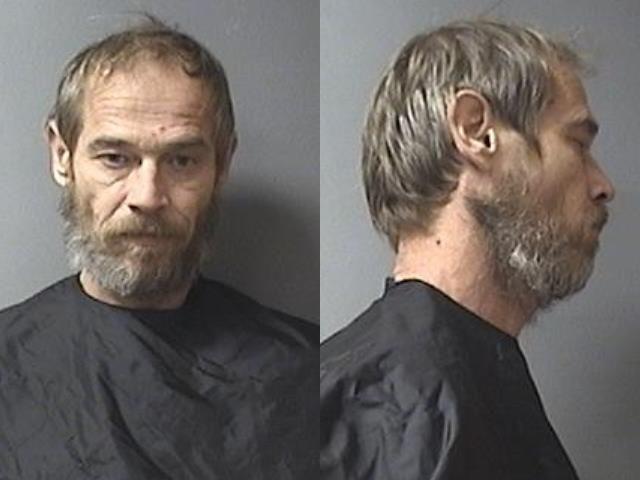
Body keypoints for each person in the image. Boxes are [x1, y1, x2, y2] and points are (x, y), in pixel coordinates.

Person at [0, 17, 317, 479]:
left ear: (222, 164)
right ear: (62, 156)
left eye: (181, 161)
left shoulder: (307, 371)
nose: (147, 197)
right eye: (115, 158)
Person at [320, 19, 614, 480]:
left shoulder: (450, 380)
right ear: (476, 132)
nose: (603, 185)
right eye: (577, 143)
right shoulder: (379, 406)